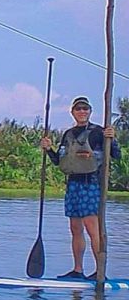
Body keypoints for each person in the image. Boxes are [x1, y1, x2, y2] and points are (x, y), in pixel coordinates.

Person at [40, 96, 121, 280]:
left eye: (85, 108)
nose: (82, 112)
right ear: (73, 112)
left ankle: (100, 272)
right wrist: (48, 149)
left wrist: (112, 139)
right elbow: (58, 161)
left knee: (92, 228)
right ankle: (78, 270)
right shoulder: (68, 134)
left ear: (90, 111)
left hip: (91, 183)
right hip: (73, 184)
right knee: (75, 228)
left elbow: (116, 155)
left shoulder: (99, 132)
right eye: (79, 109)